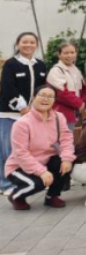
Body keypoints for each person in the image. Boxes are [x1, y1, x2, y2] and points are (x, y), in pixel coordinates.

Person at [5, 85, 74, 210]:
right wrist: (42, 172)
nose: (46, 99)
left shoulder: (58, 117)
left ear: (54, 100)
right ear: (34, 97)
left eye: (50, 96)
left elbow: (66, 139)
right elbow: (21, 154)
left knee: (63, 164)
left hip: (45, 161)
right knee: (38, 184)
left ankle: (52, 196)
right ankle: (16, 196)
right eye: (42, 95)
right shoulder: (22, 123)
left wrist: (67, 159)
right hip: (19, 166)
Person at [1, 32, 48, 195]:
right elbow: (8, 88)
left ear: (36, 45)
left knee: (28, 150)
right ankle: (6, 184)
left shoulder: (40, 65)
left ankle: (28, 180)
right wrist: (22, 107)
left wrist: (37, 108)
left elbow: (42, 89)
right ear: (17, 44)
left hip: (31, 115)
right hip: (10, 115)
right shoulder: (11, 64)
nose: (28, 45)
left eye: (32, 42)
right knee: (8, 151)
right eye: (24, 42)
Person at [47, 40, 86, 131]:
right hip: (61, 113)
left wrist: (84, 103)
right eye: (66, 53)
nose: (69, 55)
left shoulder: (76, 70)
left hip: (74, 113)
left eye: (72, 52)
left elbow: (83, 89)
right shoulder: (56, 71)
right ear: (59, 55)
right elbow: (61, 93)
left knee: (70, 138)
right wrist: (79, 104)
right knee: (60, 138)